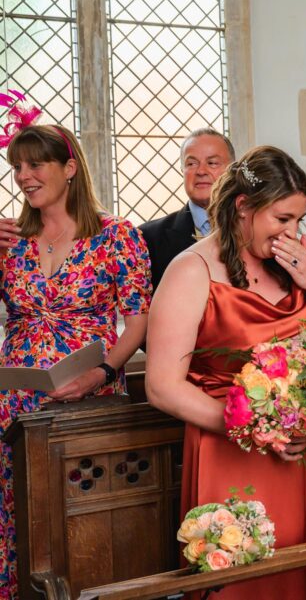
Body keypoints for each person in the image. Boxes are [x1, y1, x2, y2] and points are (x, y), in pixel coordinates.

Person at [146, 146, 306, 600]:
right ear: (243, 207)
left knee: (303, 574)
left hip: (300, 455)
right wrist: (258, 429)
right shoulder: (191, 271)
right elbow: (162, 386)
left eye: (298, 220)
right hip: (228, 451)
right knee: (243, 580)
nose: (292, 232)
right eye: (282, 218)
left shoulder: (294, 259)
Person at [0, 120, 151, 597]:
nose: (23, 176)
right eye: (16, 167)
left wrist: (101, 372)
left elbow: (140, 320)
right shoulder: (10, 239)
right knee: (16, 510)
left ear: (69, 168)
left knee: (79, 515)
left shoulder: (116, 236)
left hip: (90, 399)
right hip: (15, 403)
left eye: (34, 164)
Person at [140, 128, 235, 289]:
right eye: (191, 164)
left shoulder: (254, 232)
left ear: (232, 170)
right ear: (182, 170)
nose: (201, 171)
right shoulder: (148, 238)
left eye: (212, 163)